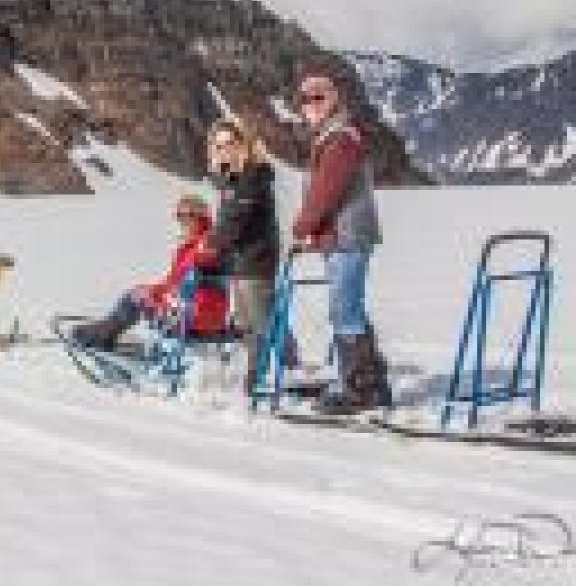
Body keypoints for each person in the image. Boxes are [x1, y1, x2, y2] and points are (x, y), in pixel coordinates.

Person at [291, 63, 393, 414]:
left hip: (347, 235)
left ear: (333, 99)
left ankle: (360, 389)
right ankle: (371, 382)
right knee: (349, 309)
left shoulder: (340, 138)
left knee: (345, 311)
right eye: (306, 99)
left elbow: (325, 192)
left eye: (319, 97)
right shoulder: (330, 137)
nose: (311, 104)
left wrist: (303, 227)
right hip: (340, 236)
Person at [71, 194, 227, 352]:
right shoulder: (203, 243)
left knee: (133, 297)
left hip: (191, 317)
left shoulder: (201, 246)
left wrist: (152, 293)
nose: (181, 222)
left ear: (198, 217)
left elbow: (178, 281)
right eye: (178, 216)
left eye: (185, 216)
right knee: (140, 293)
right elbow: (179, 280)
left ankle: (101, 336)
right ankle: (106, 329)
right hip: (209, 316)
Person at [198, 119, 284, 393]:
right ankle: (267, 370)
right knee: (247, 323)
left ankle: (266, 373)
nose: (224, 149)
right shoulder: (235, 177)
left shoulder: (251, 176)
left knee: (260, 323)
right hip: (240, 260)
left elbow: (235, 219)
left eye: (229, 143)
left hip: (256, 260)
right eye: (218, 145)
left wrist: (208, 244)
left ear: (242, 144)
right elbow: (229, 212)